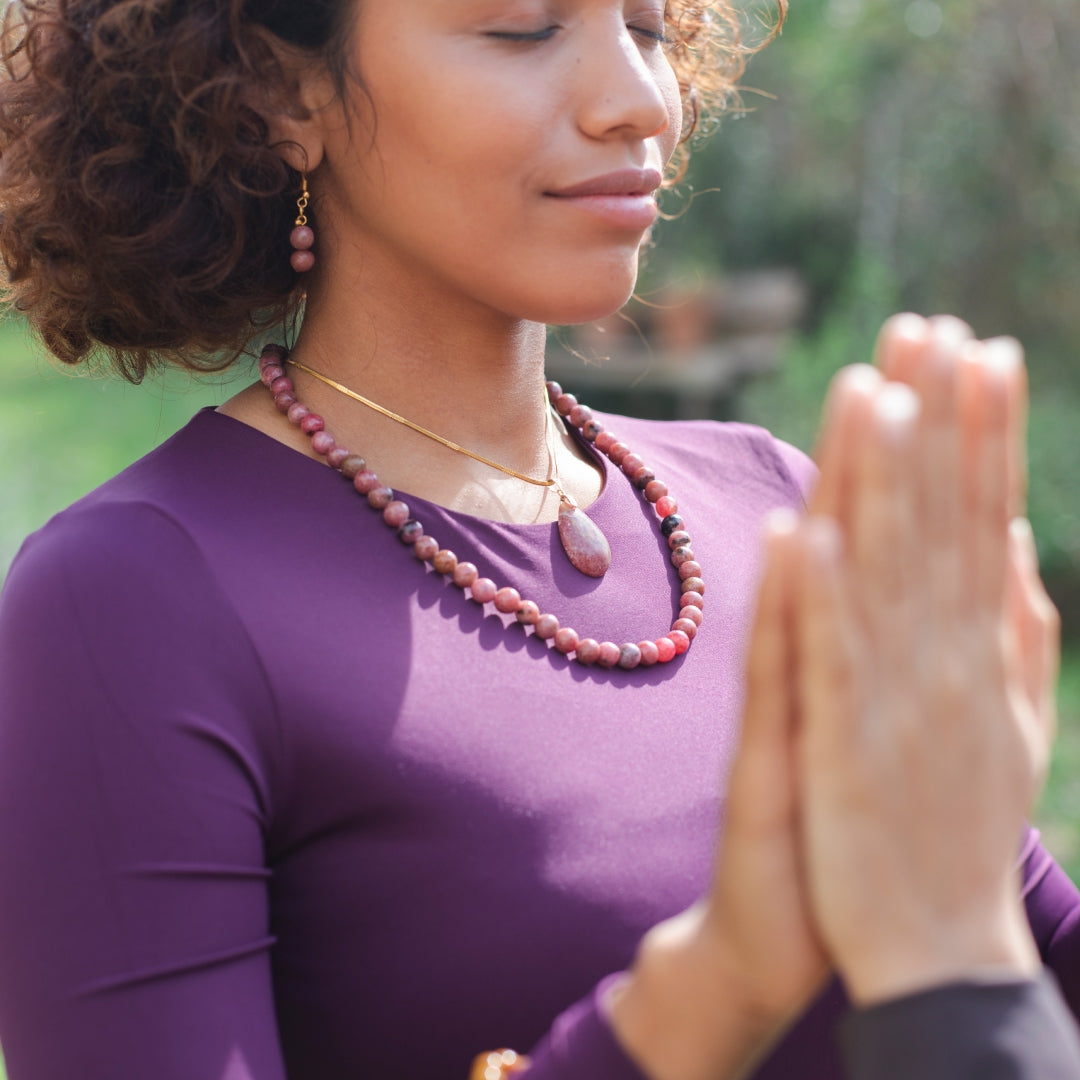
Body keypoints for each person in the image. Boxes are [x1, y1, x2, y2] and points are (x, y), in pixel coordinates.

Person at [0, 3, 1076, 1080]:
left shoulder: (775, 502)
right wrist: (717, 984)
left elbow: (1018, 962)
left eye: (649, 27)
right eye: (523, 28)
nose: (639, 101)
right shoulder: (129, 604)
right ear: (282, 94)